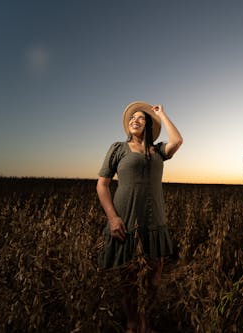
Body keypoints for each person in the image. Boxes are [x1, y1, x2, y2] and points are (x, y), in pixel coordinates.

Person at [96, 101, 183, 333]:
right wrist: (113, 218)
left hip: (154, 220)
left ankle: (145, 319)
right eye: (132, 118)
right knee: (129, 281)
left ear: (147, 126)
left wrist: (161, 114)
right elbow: (102, 185)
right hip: (125, 219)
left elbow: (177, 141)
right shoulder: (118, 149)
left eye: (141, 118)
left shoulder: (157, 152)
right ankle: (132, 324)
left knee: (154, 279)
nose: (135, 120)